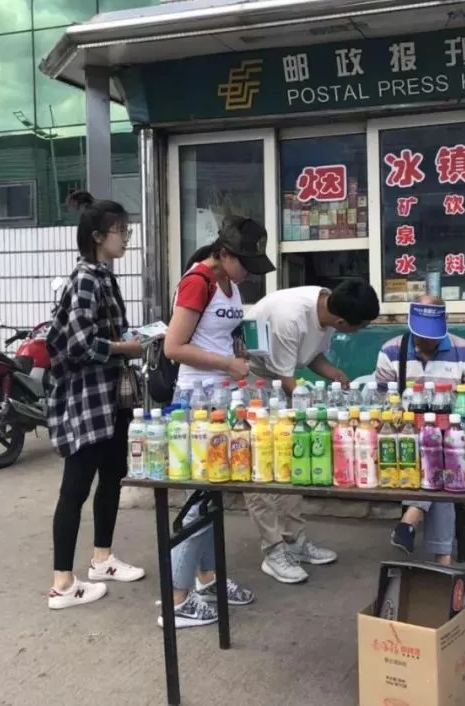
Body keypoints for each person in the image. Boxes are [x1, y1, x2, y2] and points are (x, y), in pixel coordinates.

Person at [160, 215, 275, 628]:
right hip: (196, 401)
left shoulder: (230, 283)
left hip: (224, 399)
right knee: (197, 500)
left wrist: (239, 359)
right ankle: (176, 599)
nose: (248, 272)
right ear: (224, 254)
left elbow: (222, 335)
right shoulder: (197, 281)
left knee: (212, 495)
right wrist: (227, 364)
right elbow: (174, 347)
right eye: (245, 262)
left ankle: (207, 579)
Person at [45, 190, 146, 610]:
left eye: (126, 231)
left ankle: (102, 559)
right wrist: (126, 347)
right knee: (76, 488)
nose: (126, 239)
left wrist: (134, 340)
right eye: (120, 231)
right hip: (87, 399)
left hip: (111, 397)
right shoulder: (86, 278)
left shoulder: (103, 276)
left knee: (112, 475)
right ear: (98, 236)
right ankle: (62, 584)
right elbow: (80, 343)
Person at [244, 280, 380, 583]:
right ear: (342, 323)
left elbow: (311, 356)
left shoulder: (327, 306)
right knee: (261, 466)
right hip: (253, 379)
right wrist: (322, 411)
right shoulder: (289, 319)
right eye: (359, 327)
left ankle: (294, 539)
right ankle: (273, 549)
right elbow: (286, 380)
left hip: (279, 378)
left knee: (292, 458)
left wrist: (334, 373)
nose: (358, 332)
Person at [375, 295, 465, 564]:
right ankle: (442, 559)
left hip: (452, 438)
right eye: (421, 335)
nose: (426, 342)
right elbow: (381, 402)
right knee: (434, 461)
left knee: (442, 455)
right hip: (407, 437)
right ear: (410, 324)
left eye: (432, 336)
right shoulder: (392, 350)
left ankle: (411, 517)